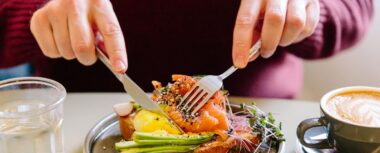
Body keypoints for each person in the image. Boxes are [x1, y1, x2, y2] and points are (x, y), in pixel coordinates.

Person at [0, 0, 374, 98]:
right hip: (77, 136)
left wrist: (305, 13)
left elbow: (357, 8)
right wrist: (37, 15)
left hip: (263, 142)